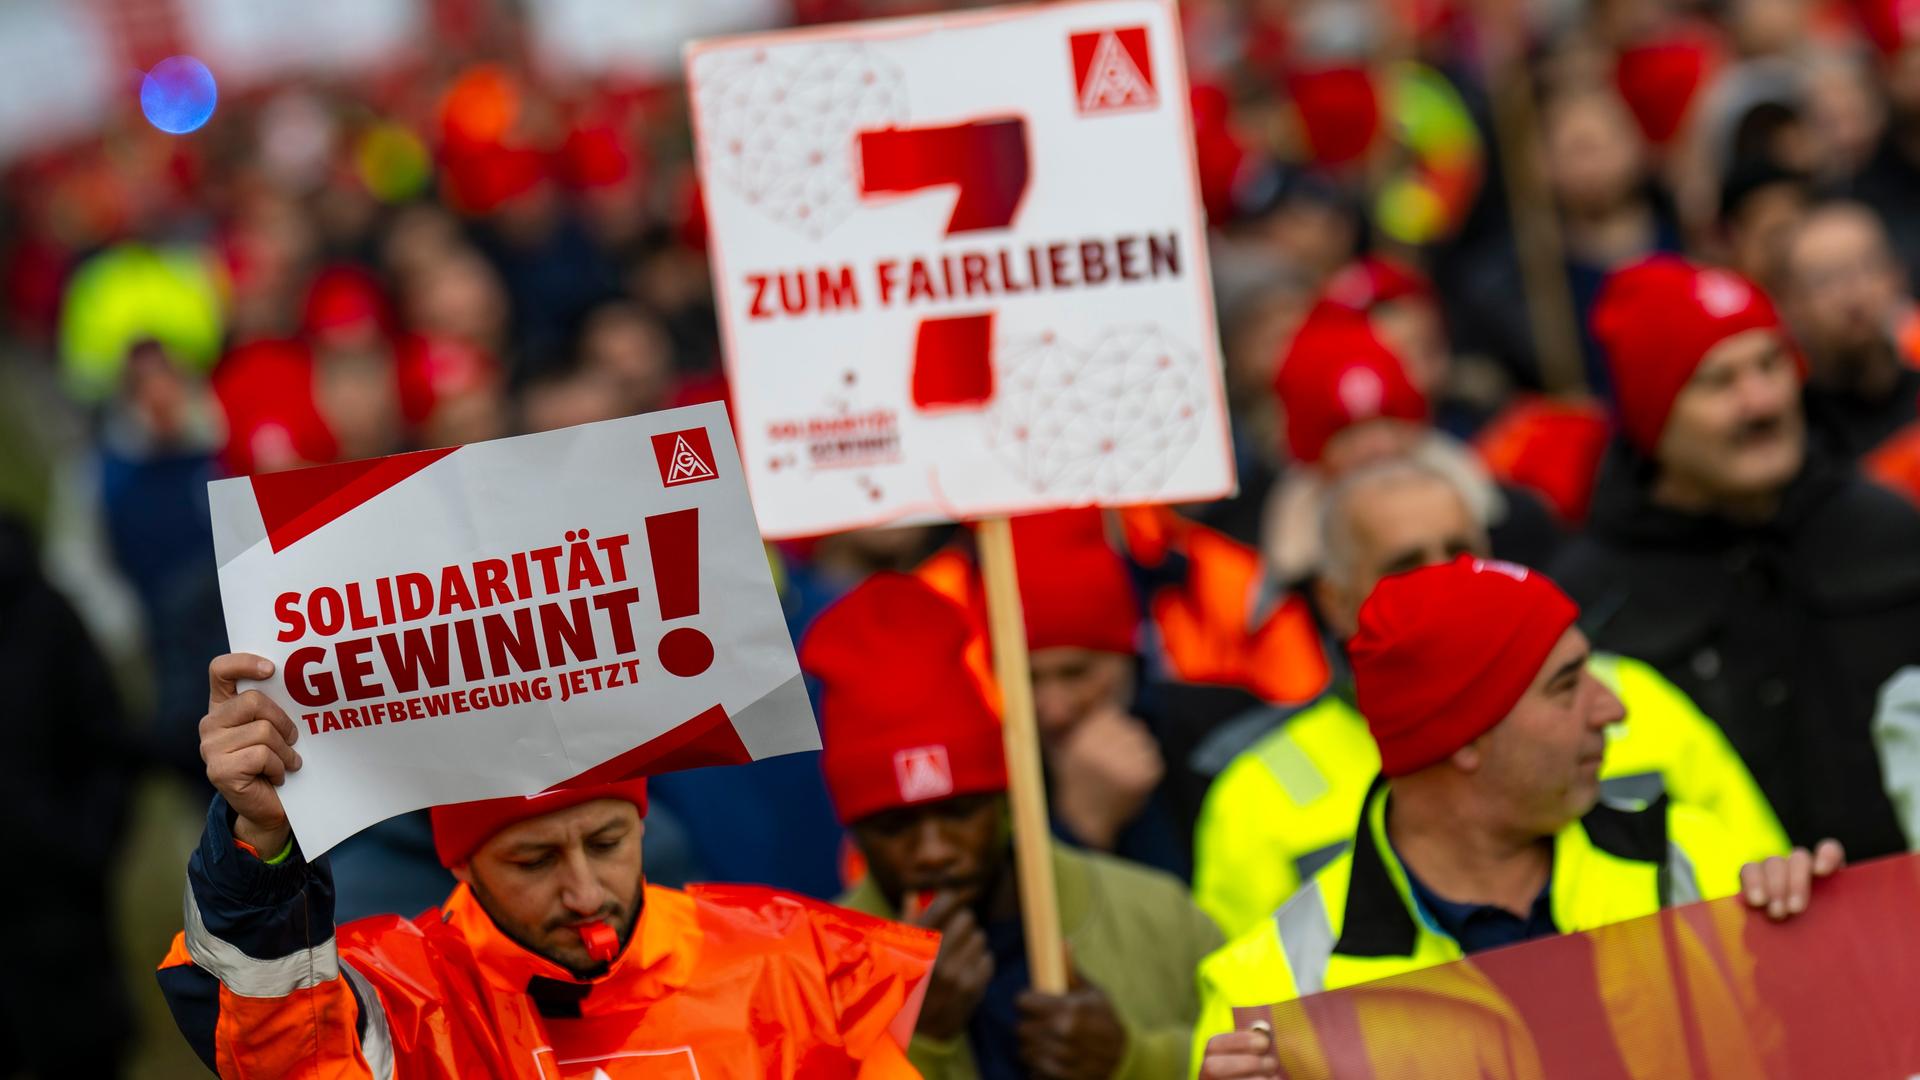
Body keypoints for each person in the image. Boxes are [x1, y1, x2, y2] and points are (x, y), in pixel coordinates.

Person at [1192, 557, 1845, 1078]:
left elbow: (1827, 1054)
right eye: (1567, 686)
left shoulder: (1697, 859)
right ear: (1465, 738)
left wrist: (1829, 948)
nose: (1611, 709)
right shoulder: (1270, 986)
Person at [158, 653, 936, 1077]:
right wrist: (260, 842)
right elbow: (279, 1052)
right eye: (533, 859)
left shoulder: (791, 961)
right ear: (461, 864)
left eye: (607, 842)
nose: (584, 891)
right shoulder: (399, 999)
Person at [1192, 460, 1786, 937]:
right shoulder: (1256, 796)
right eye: (1407, 565)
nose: (1447, 578)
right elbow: (1267, 1016)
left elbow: (1762, 891)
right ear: (1335, 601)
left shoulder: (1636, 697)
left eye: (1461, 550)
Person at [1556, 254, 1920, 859]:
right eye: (1719, 382)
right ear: (1654, 414)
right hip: (1720, 942)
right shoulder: (1592, 600)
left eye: (1771, 365)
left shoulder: (1883, 526)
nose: (1761, 402)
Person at [810, 573, 1223, 1080]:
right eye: (896, 827)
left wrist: (1135, 1059)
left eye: (961, 813)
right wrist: (919, 1042)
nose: (935, 851)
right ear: (855, 832)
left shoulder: (1156, 916)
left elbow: (1284, 1061)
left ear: (1008, 801)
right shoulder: (812, 975)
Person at [1780, 200, 1920, 460]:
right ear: (1792, 304)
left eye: (1869, 267)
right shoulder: (1790, 434)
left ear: (1898, 276)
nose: (1853, 294)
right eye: (1825, 280)